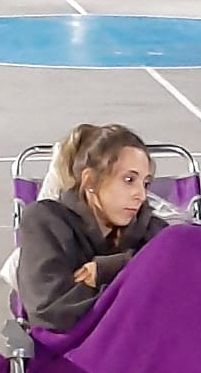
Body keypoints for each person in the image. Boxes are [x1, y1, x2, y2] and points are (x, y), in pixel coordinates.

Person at [17, 124, 167, 331]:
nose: (140, 195)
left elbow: (184, 281)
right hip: (77, 348)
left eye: (146, 183)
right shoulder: (46, 221)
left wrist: (113, 267)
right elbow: (51, 311)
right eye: (129, 180)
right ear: (89, 181)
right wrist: (138, 282)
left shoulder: (152, 229)